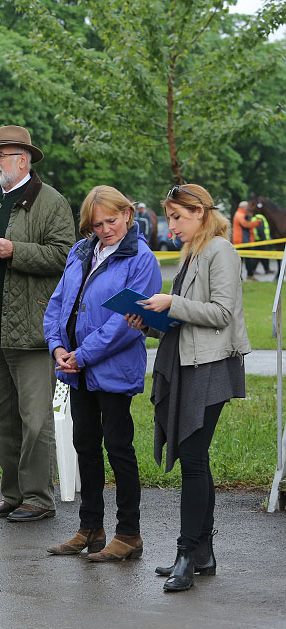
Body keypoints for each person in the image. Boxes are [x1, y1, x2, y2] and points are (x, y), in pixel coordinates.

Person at [125, 184, 250, 593]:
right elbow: (186, 324)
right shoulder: (194, 252)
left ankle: (186, 554)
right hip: (190, 362)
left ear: (199, 213)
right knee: (197, 460)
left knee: (193, 459)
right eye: (169, 216)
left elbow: (222, 313)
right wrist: (150, 321)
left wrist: (170, 303)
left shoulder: (220, 250)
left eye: (177, 216)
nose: (170, 225)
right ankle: (202, 554)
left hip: (212, 366)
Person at [0, 125, 75, 522]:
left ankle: (38, 497)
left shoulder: (50, 202)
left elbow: (64, 256)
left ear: (23, 159)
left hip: (32, 327)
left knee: (35, 420)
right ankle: (13, 493)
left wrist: (15, 251)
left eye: (0, 155)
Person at [43, 186, 161, 561]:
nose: (106, 229)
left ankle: (129, 535)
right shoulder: (81, 252)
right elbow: (58, 303)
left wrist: (83, 354)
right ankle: (90, 528)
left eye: (112, 220)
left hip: (112, 369)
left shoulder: (141, 259)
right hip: (77, 370)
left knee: (119, 449)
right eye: (97, 223)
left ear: (128, 213)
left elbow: (128, 322)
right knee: (86, 447)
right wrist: (57, 347)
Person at [232, 200, 260, 280]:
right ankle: (239, 277)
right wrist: (256, 222)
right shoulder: (240, 214)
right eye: (247, 207)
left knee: (247, 259)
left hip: (244, 240)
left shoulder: (242, 214)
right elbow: (246, 224)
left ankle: (249, 275)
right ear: (244, 207)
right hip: (241, 241)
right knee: (240, 260)